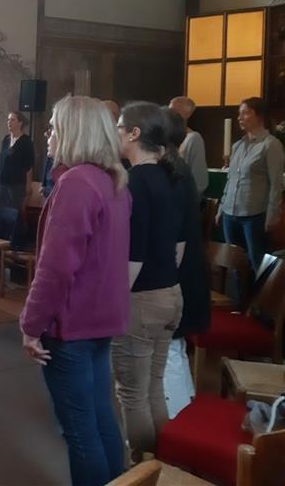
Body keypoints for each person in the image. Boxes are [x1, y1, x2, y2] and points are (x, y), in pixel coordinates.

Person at [20, 95, 130, 486]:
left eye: (53, 126)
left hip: (73, 326)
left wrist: (31, 325)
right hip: (101, 322)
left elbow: (55, 269)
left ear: (74, 132)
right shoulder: (112, 180)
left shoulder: (76, 184)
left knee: (81, 432)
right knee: (101, 423)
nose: (48, 134)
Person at [112, 102, 183, 462]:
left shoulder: (137, 181)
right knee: (152, 387)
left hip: (143, 298)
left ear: (134, 134)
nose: (117, 132)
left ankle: (142, 469)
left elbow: (134, 254)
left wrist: (114, 300)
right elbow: (178, 244)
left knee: (131, 394)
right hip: (170, 291)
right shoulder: (170, 177)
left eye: (120, 126)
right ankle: (164, 467)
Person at [160, 108, 210, 418]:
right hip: (186, 271)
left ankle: (180, 424)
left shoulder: (171, 172)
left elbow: (173, 238)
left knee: (170, 352)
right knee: (172, 352)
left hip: (179, 275)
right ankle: (184, 412)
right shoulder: (175, 167)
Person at [216, 97, 284, 274]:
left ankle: (259, 301)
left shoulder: (271, 145)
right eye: (239, 114)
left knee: (258, 264)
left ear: (259, 116)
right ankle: (240, 301)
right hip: (231, 213)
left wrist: (272, 215)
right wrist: (221, 207)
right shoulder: (238, 145)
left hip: (254, 214)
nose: (240, 118)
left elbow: (276, 183)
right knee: (236, 265)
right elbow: (230, 180)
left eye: (245, 113)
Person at [0, 111, 34, 249]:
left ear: (20, 123)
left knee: (15, 214)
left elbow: (29, 165)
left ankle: (17, 244)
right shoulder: (6, 140)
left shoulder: (26, 142)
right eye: (8, 120)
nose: (9, 122)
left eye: (12, 120)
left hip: (17, 184)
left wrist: (28, 186)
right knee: (0, 213)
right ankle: (2, 241)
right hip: (2, 183)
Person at [169, 96, 209, 196]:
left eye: (172, 111)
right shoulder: (164, 138)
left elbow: (199, 181)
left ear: (185, 115)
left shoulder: (193, 138)